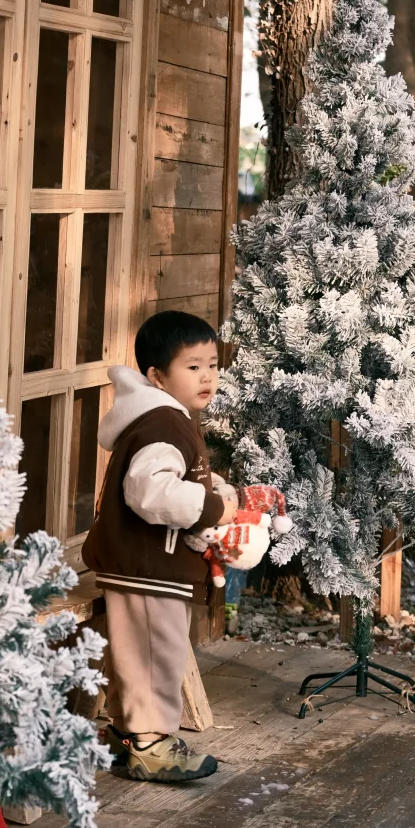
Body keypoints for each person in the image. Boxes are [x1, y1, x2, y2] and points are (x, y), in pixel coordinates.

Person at [82, 310, 237, 782]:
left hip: (151, 562)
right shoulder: (164, 422)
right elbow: (149, 491)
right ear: (156, 376)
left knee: (146, 652)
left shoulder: (166, 417)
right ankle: (150, 745)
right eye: (193, 367)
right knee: (156, 654)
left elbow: (181, 475)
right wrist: (212, 509)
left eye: (212, 364)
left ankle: (132, 735)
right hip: (148, 563)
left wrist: (219, 493)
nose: (207, 375)